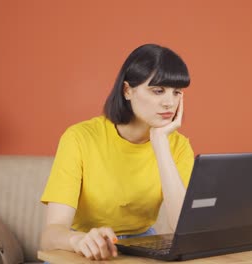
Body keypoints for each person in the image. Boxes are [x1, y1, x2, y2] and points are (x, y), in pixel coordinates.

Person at [40, 43, 195, 261]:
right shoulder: (80, 137)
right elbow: (50, 234)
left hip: (140, 246)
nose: (169, 102)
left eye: (177, 92)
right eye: (158, 90)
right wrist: (78, 241)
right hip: (81, 246)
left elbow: (184, 229)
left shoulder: (177, 146)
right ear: (127, 90)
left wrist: (160, 143)